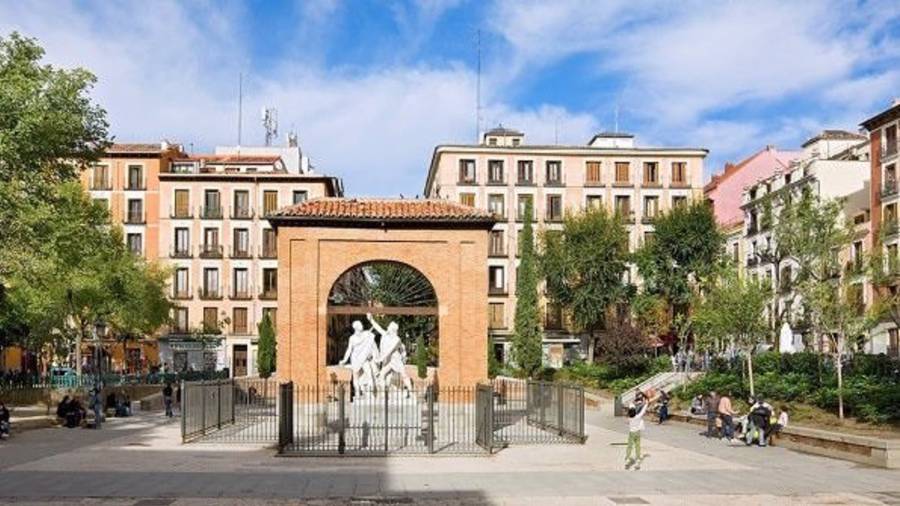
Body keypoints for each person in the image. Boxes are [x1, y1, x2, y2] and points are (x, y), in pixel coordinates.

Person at [625, 390, 657, 470]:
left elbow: (631, 405)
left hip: (631, 433)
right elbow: (644, 407)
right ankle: (638, 459)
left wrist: (635, 400)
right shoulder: (638, 416)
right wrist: (645, 398)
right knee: (637, 446)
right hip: (638, 433)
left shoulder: (629, 418)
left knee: (629, 446)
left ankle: (627, 459)